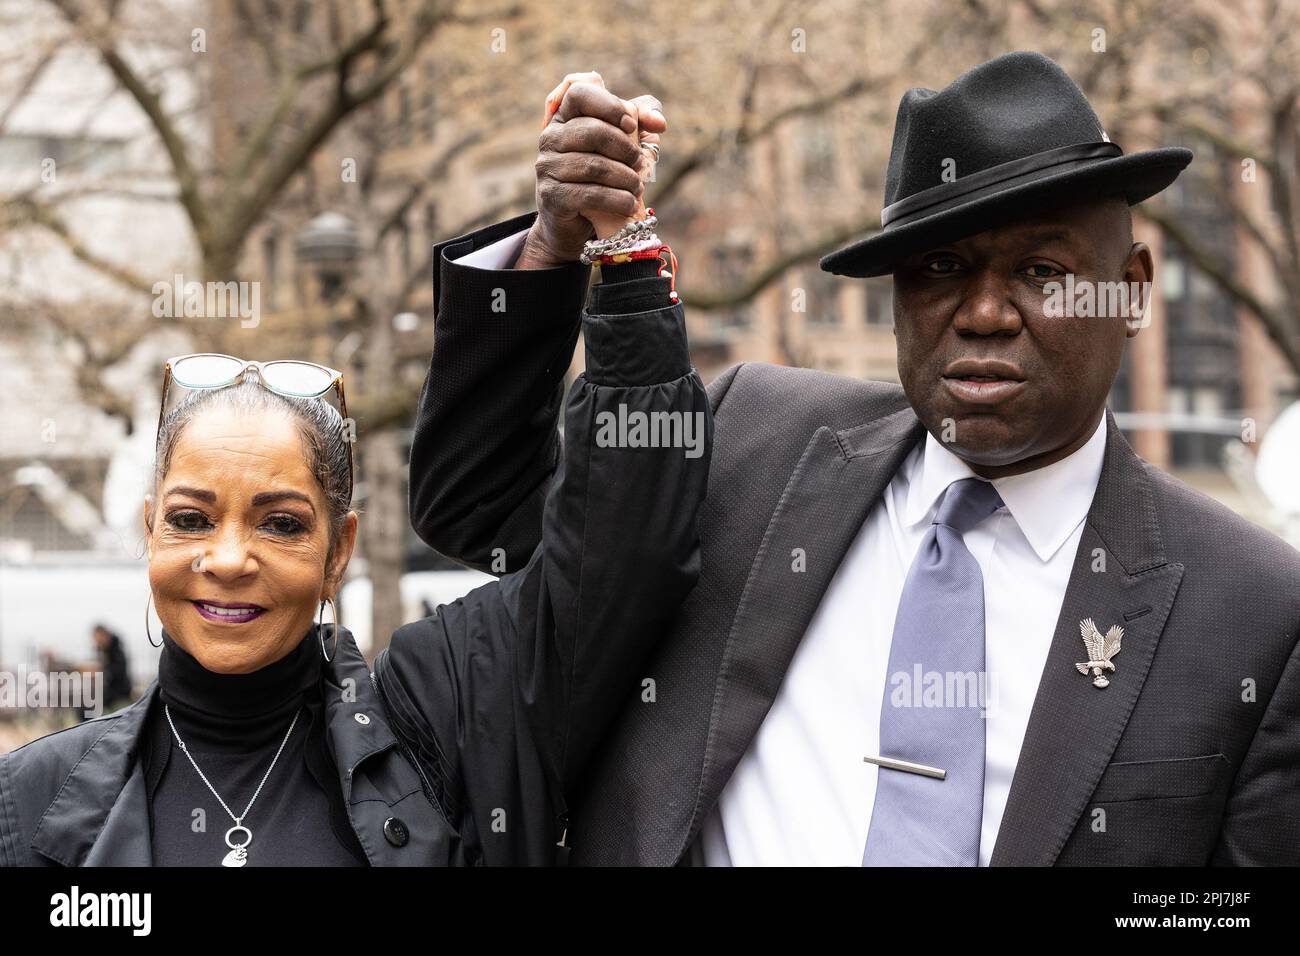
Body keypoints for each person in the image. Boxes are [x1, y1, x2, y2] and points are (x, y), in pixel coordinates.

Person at [408, 53, 1300, 866]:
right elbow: (484, 511)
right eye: (942, 266)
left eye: (1040, 270)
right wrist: (556, 246)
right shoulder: (748, 443)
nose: (984, 312)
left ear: (1133, 289)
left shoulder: (1255, 610)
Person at [0, 154, 709, 864]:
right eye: (191, 519)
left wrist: (611, 250)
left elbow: (620, 559)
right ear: (149, 528)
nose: (227, 558)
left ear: (340, 548)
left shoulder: (442, 719)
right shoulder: (34, 799)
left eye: (281, 523)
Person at [90, 624, 133, 715]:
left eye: (99, 637)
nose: (98, 640)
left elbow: (119, 671)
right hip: (107, 695)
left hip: (119, 695)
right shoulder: (101, 650)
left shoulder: (116, 651)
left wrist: (102, 671)